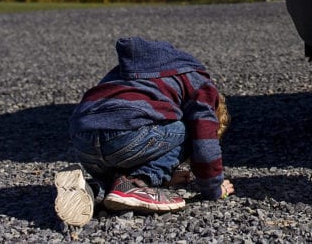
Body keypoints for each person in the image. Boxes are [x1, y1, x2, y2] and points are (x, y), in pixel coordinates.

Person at [54, 37, 234, 226]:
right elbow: (204, 140)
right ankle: (136, 183)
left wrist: (166, 176)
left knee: (126, 147)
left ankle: (94, 188)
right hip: (123, 137)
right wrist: (213, 188)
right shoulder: (199, 81)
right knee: (191, 129)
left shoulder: (128, 71)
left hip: (83, 139)